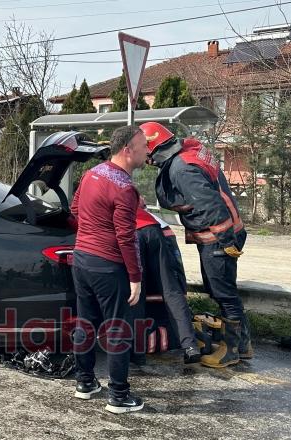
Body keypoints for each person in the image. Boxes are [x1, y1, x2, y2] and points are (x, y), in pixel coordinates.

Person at [140, 122, 250, 369]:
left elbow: (211, 206)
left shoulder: (181, 169)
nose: (147, 161)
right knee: (224, 290)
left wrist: (226, 241)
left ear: (155, 150)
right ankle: (244, 345)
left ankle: (231, 351)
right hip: (223, 233)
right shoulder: (189, 153)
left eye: (147, 155)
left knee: (223, 293)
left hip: (218, 236)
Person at [70, 125, 147, 414]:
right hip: (108, 265)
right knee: (118, 330)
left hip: (82, 260)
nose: (147, 150)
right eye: (143, 146)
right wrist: (135, 278)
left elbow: (76, 209)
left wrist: (92, 231)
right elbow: (127, 238)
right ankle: (118, 396)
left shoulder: (92, 174)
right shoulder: (124, 188)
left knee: (86, 323)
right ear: (128, 150)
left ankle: (85, 383)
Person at [135, 200, 201, 364]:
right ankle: (190, 345)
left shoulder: (99, 184)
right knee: (171, 290)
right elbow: (175, 265)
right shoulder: (127, 186)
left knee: (136, 291)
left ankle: (135, 350)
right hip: (157, 229)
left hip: (131, 231)